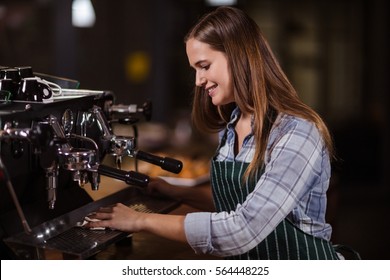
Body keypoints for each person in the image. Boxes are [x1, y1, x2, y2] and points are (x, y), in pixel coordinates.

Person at [86, 6, 339, 260]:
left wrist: (139, 221)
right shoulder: (232, 127)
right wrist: (175, 191)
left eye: (204, 66)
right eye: (195, 69)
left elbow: (242, 229)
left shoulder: (297, 132)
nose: (198, 80)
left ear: (238, 55)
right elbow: (239, 204)